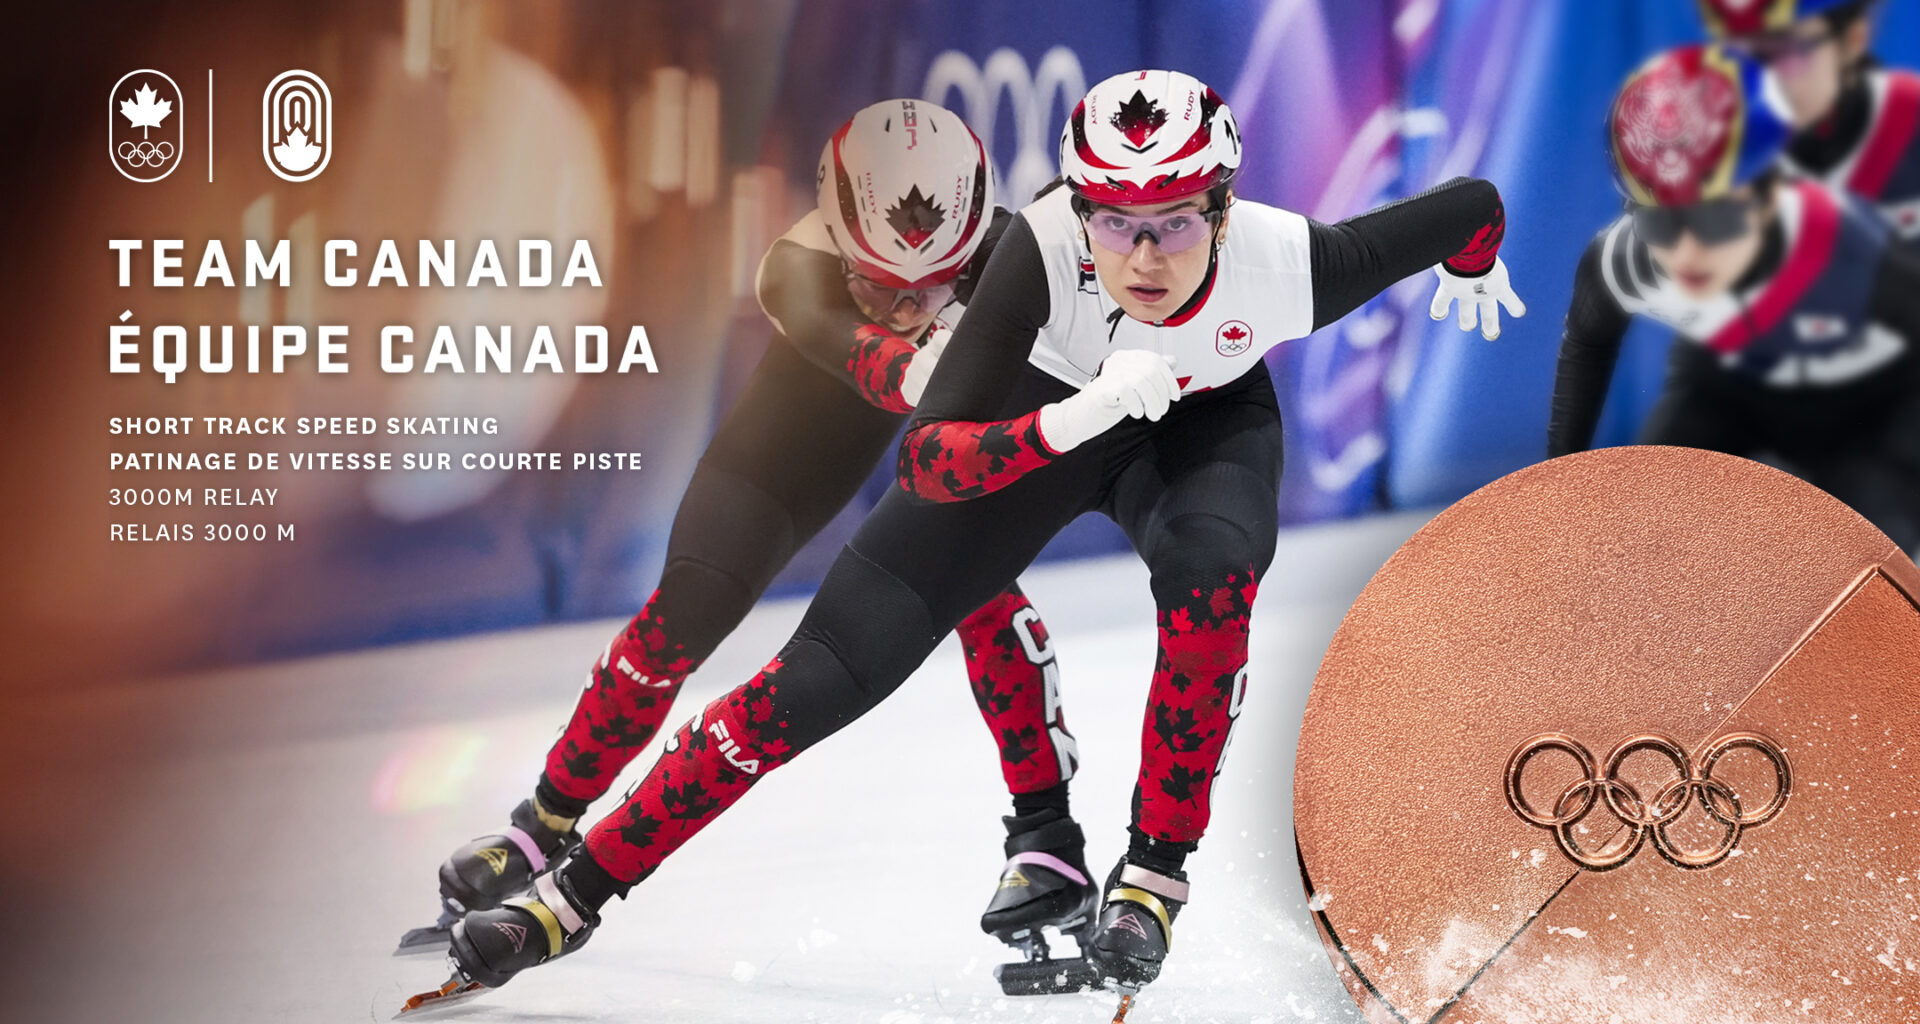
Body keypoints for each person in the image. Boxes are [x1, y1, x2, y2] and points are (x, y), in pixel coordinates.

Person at [412, 69, 1521, 1010]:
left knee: (1212, 572)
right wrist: (1068, 422)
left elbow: (1472, 205)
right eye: (1114, 221)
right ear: (1076, 209)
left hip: (1198, 433)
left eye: (1176, 221)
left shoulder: (1292, 263)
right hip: (1047, 422)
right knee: (810, 681)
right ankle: (571, 895)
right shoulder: (1036, 251)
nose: (1143, 255)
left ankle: (1152, 875)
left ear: (1226, 213)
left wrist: (1476, 264)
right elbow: (930, 462)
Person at [398, 99, 1094, 960]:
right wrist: (939, 349)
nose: (906, 306)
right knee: (687, 608)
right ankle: (546, 820)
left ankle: (1047, 835)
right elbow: (874, 362)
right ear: (838, 240)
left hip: (945, 414)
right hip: (819, 414)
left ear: (974, 243)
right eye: (877, 285)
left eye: (933, 284)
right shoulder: (794, 266)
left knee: (980, 590)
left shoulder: (1012, 251)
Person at [1549, 45, 1920, 551]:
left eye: (1715, 219)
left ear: (1769, 197)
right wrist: (1558, 480)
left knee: (1859, 552)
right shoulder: (1625, 260)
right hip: (1733, 390)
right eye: (1660, 222)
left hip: (1872, 414)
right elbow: (1587, 347)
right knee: (1644, 534)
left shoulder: (1845, 253)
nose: (1687, 251)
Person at [1698, 0, 1920, 243]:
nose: (1753, 82)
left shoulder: (1911, 121)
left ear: (1853, 41)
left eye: (1782, 49)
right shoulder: (1717, 162)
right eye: (1733, 55)